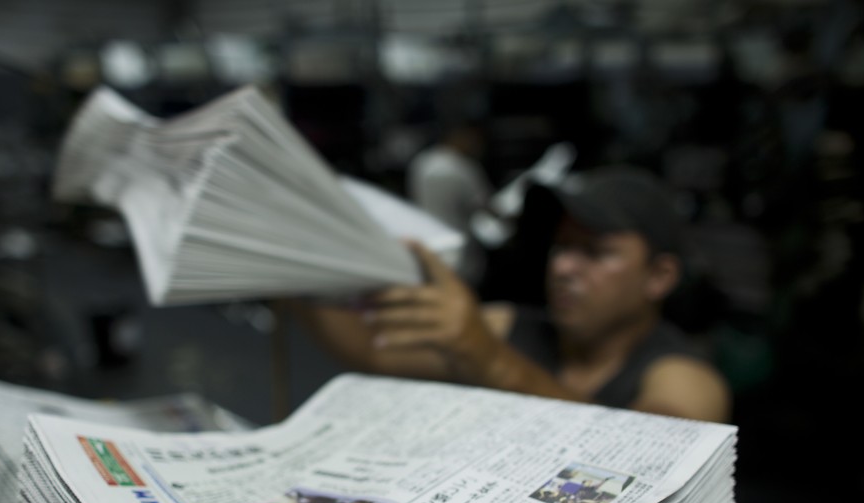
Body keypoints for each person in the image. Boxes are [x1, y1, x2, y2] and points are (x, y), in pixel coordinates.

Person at [290, 165, 731, 424]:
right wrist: (288, 268)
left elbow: (652, 458)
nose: (563, 267)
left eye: (596, 252)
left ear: (659, 276)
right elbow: (374, 349)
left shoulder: (683, 378)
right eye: (562, 248)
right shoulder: (506, 326)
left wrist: (489, 359)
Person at [405, 117, 492, 288]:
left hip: (426, 246)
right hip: (460, 251)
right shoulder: (464, 167)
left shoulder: (421, 162)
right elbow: (486, 207)